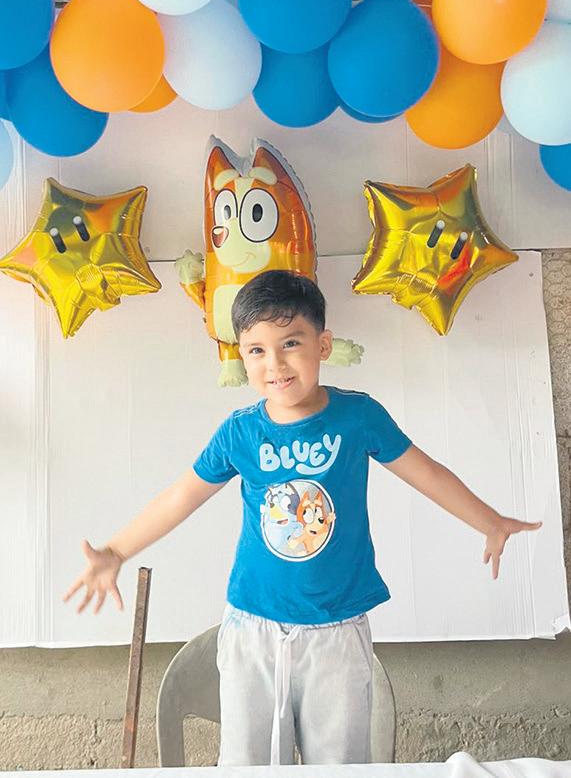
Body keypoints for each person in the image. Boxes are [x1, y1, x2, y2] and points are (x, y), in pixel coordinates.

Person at [64, 270, 542, 767]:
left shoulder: (358, 417)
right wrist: (115, 551)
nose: (275, 364)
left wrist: (490, 521)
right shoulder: (241, 433)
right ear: (242, 355)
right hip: (253, 631)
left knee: (338, 766)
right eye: (257, 350)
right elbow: (180, 496)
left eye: (290, 343)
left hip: (337, 631)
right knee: (246, 766)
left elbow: (427, 473)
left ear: (323, 344)